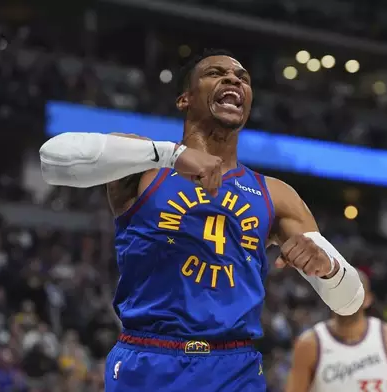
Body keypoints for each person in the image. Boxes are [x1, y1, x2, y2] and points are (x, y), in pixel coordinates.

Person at [39, 49, 364, 392]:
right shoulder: (145, 164)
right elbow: (53, 160)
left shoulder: (275, 194)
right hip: (149, 360)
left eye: (242, 78)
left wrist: (328, 268)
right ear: (185, 99)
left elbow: (349, 300)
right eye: (216, 73)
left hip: (234, 368)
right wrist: (173, 155)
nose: (233, 80)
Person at [285, 270, 387, 392]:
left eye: (354, 292)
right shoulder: (309, 344)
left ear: (368, 299)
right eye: (341, 292)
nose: (347, 299)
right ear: (328, 296)